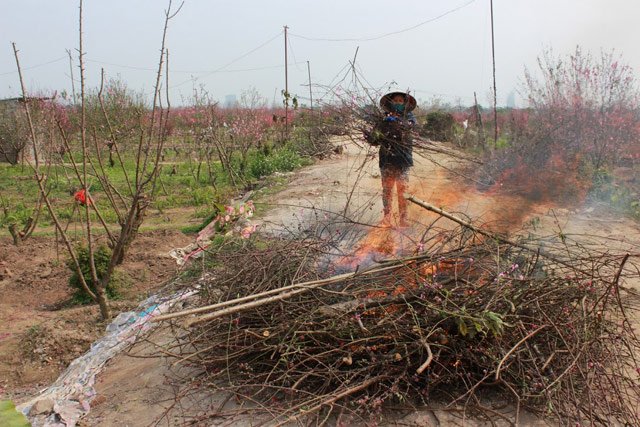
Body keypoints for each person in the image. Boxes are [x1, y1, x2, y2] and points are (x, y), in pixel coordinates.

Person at [364, 91, 417, 227]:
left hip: (403, 160)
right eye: (396, 101)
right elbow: (375, 140)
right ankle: (387, 217)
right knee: (387, 190)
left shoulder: (410, 118)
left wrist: (396, 122)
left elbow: (408, 128)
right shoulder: (382, 120)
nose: (398, 103)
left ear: (405, 104)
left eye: (401, 101)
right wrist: (370, 135)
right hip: (387, 160)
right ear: (390, 102)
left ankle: (403, 218)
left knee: (402, 190)